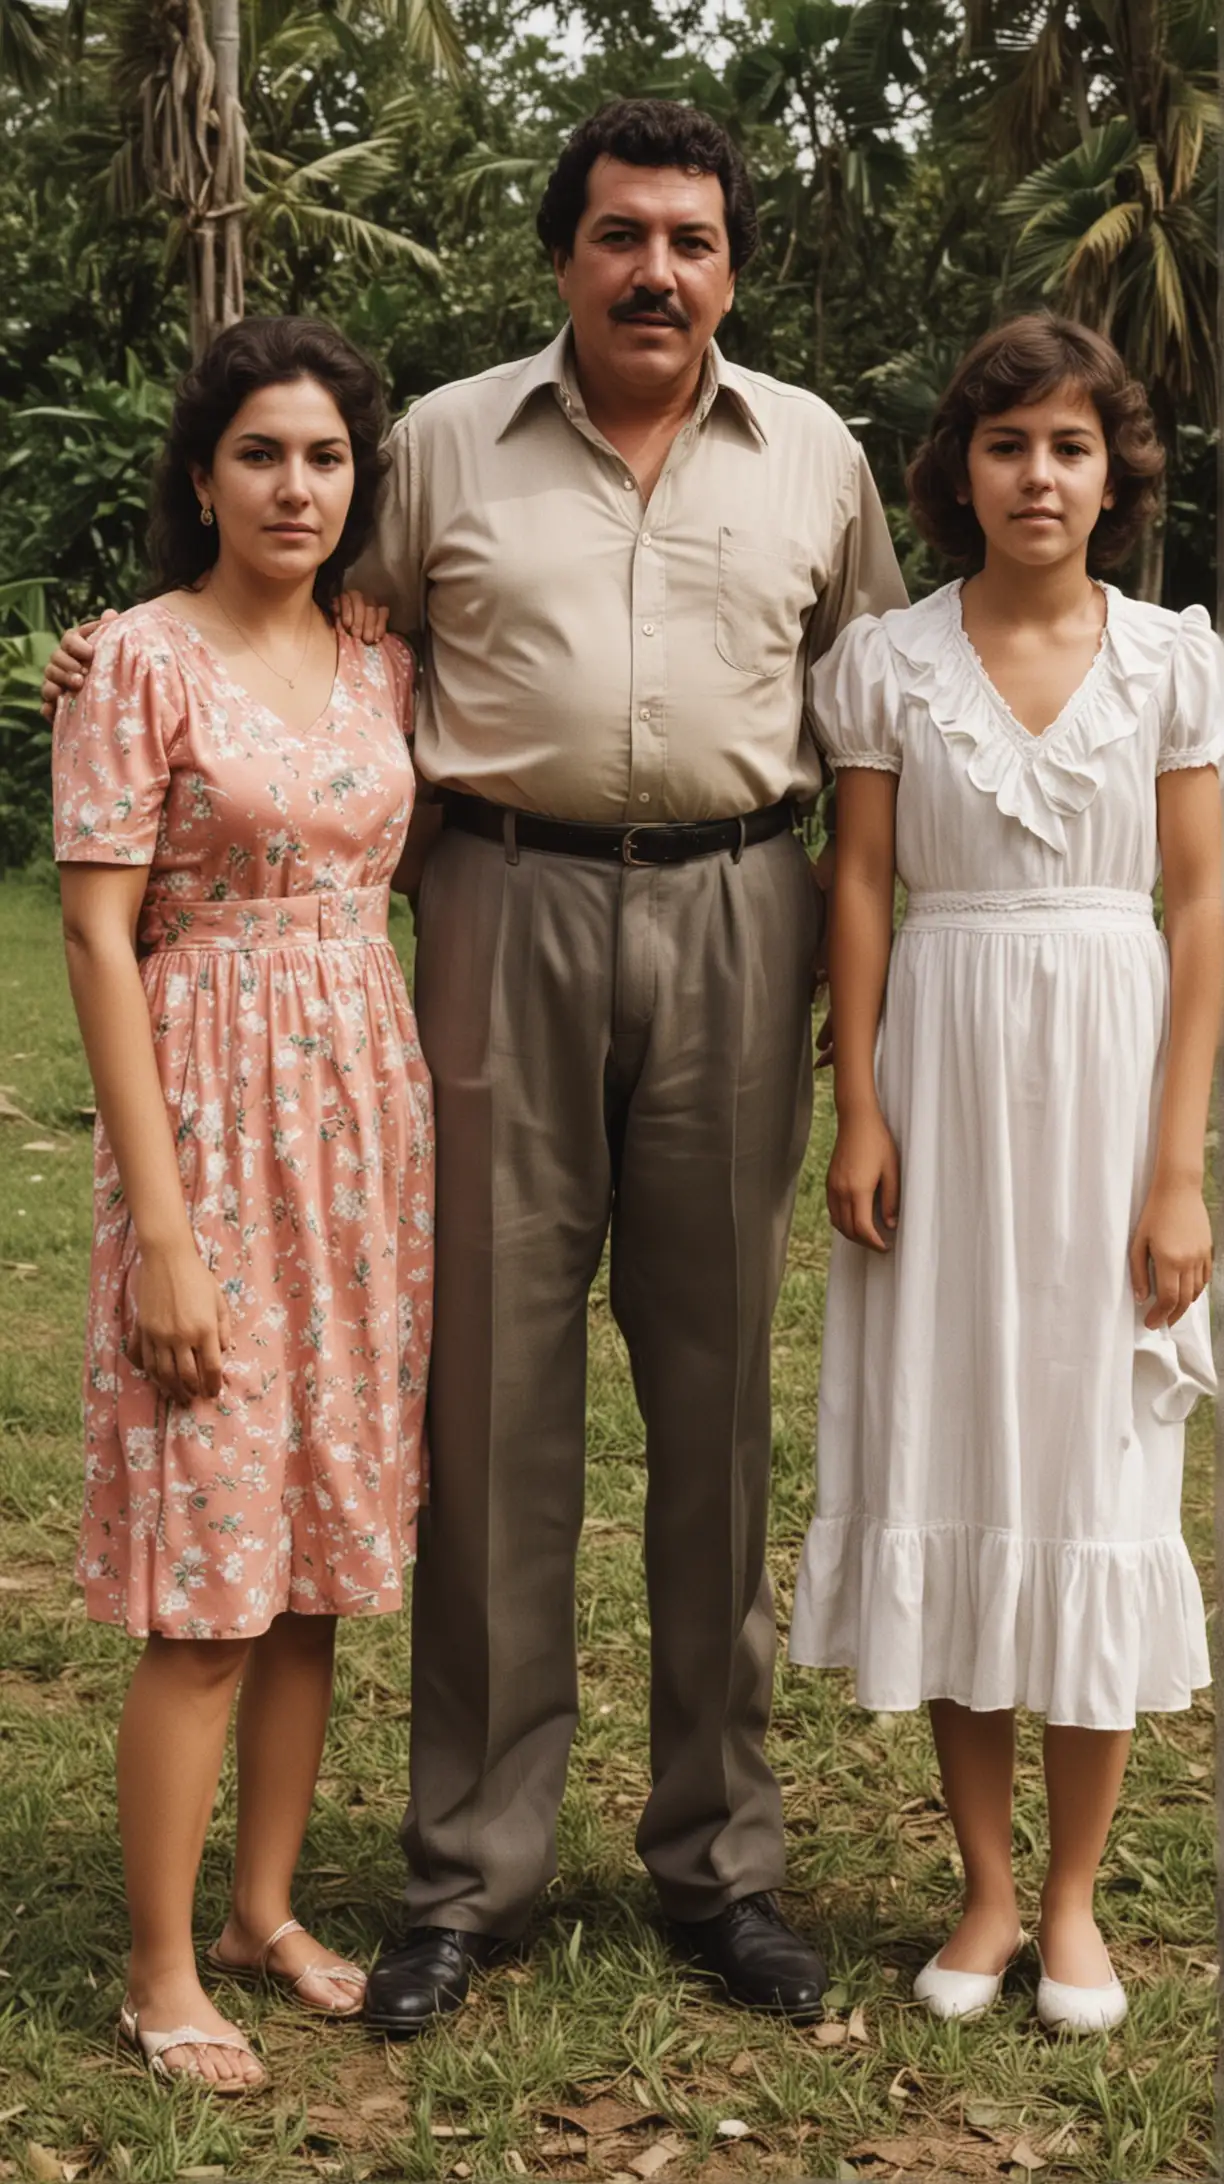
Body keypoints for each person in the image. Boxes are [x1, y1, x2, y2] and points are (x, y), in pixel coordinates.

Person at [46, 98, 908, 2034]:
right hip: (496, 918)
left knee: (714, 1404)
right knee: (484, 1410)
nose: (657, 272)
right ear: (564, 256)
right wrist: (120, 655)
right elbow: (312, 625)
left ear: (733, 268)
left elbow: (878, 691)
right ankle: (471, 1871)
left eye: (692, 241)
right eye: (621, 236)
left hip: (736, 914)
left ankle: (721, 1860)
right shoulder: (435, 442)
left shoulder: (817, 458)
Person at [788, 314, 1222, 2033]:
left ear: (1114, 476)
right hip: (942, 1090)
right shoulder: (887, 663)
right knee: (955, 1452)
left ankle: (1075, 1904)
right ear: (955, 467)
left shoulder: (1179, 661)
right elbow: (862, 890)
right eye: (1005, 443)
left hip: (1115, 1091)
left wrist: (1177, 1165)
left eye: (1069, 446)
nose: (1037, 475)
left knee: (1099, 1485)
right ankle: (979, 1893)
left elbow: (1198, 912)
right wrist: (864, 1109)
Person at [50, 317, 432, 2089]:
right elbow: (95, 939)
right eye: (264, 453)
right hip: (209, 1119)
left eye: (330, 457)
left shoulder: (383, 662)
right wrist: (169, 1230)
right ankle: (154, 1968)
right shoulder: (133, 661)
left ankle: (260, 1908)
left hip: (365, 1131)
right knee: (208, 1572)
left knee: (317, 1558)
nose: (298, 486)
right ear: (201, 471)